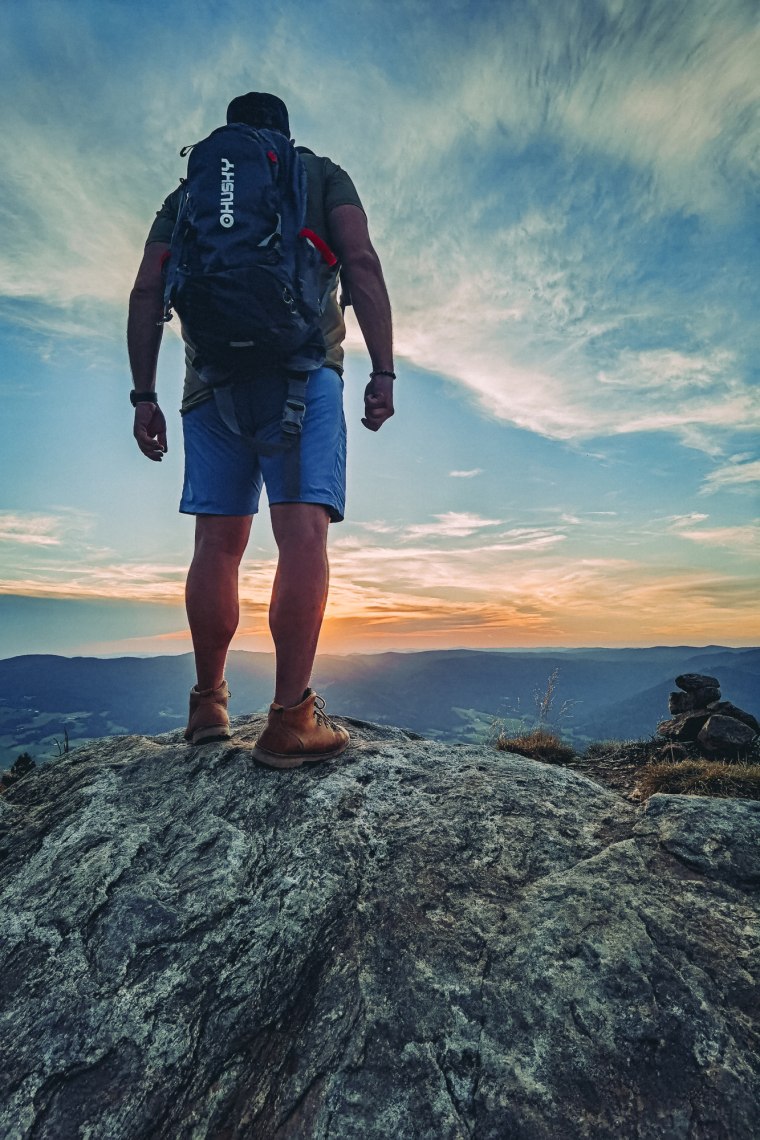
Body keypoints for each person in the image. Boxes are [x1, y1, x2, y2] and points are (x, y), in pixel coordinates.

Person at [127, 92, 394, 768]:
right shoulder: (316, 173)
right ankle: (289, 719)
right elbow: (360, 263)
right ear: (283, 132)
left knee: (217, 543)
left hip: (208, 384)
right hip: (302, 375)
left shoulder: (187, 193)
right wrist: (383, 371)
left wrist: (143, 395)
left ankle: (208, 705)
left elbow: (146, 292)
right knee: (301, 535)